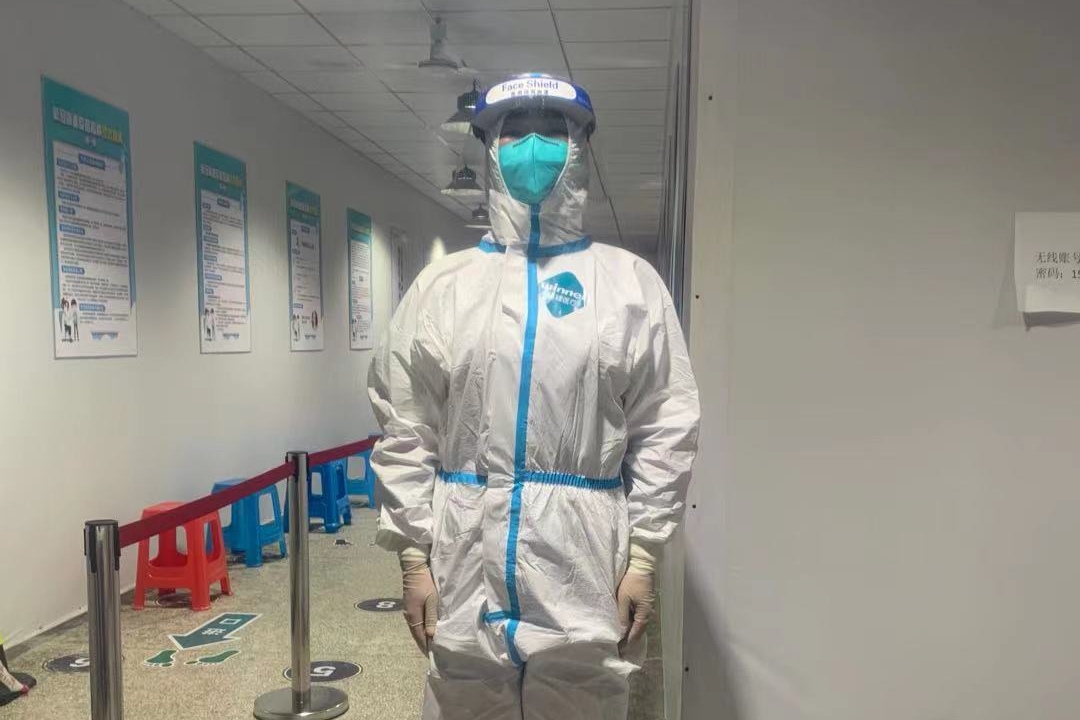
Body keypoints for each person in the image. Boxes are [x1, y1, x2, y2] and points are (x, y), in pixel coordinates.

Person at [367, 73, 700, 720]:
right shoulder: (444, 287)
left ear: (580, 147)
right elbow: (406, 424)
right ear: (489, 150)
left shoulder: (628, 285)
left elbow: (667, 424)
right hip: (464, 553)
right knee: (464, 703)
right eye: (514, 131)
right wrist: (413, 558)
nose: (533, 146)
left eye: (552, 130)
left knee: (582, 703)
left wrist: (643, 556)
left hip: (583, 558)